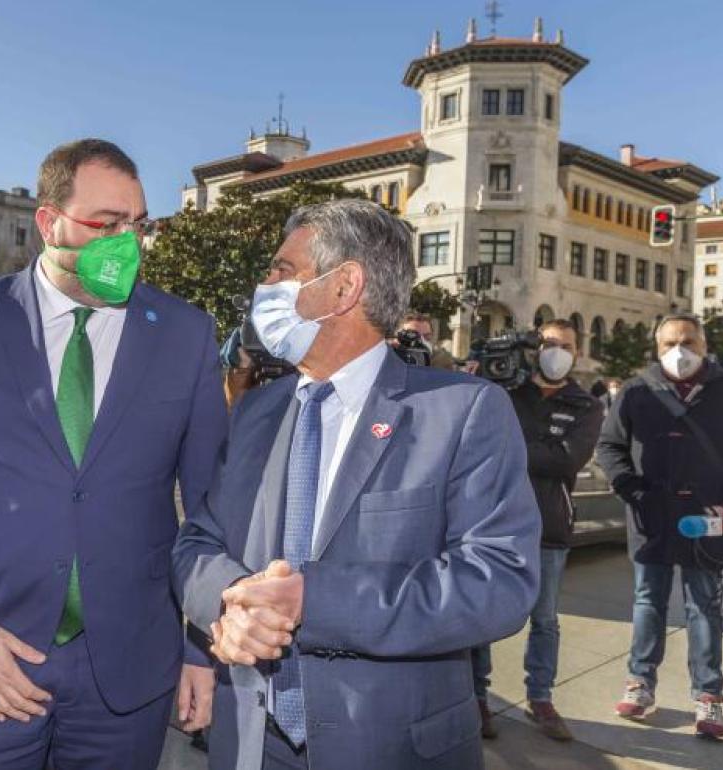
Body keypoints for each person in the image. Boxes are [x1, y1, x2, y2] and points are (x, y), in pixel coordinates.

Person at [0, 138, 227, 769]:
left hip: (131, 671)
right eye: (106, 224)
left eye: (138, 225)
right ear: (48, 222)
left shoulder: (186, 334)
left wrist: (202, 648)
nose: (127, 243)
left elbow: (211, 507)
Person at [172, 199, 541, 770]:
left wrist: (312, 600)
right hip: (250, 741)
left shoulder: (462, 411)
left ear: (344, 286)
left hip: (390, 747)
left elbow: (499, 582)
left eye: (281, 270)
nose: (264, 285)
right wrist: (230, 602)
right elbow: (198, 543)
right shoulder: (255, 412)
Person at [596, 314, 723, 742]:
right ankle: (639, 684)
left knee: (704, 609)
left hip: (708, 524)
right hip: (651, 522)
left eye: (689, 341)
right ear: (656, 349)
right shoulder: (636, 390)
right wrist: (633, 493)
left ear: (704, 343)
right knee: (646, 603)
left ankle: (708, 697)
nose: (680, 350)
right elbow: (610, 447)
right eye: (670, 342)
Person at [469, 319, 603, 742]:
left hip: (549, 525)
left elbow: (566, 461)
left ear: (576, 353)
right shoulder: (508, 390)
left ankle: (540, 698)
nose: (554, 351)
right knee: (483, 615)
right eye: (547, 343)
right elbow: (478, 439)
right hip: (495, 522)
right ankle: (477, 698)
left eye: (564, 345)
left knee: (544, 619)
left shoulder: (586, 405)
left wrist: (510, 449)